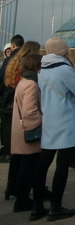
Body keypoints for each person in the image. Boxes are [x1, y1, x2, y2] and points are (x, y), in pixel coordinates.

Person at [32, 37, 75, 221]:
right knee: (62, 165)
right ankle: (56, 207)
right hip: (64, 120)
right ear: (63, 52)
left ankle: (37, 207)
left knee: (43, 164)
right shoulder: (64, 69)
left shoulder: (41, 70)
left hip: (48, 120)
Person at [9, 54, 42, 213]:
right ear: (37, 66)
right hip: (29, 132)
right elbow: (30, 112)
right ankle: (22, 200)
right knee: (28, 166)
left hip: (19, 130)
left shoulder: (22, 81)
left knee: (24, 165)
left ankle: (21, 198)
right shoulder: (31, 84)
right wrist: (43, 121)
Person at [0, 34, 24, 163]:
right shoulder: (27, 57)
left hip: (8, 97)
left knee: (7, 125)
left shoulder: (9, 60)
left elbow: (2, 77)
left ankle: (9, 151)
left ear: (13, 45)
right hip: (24, 96)